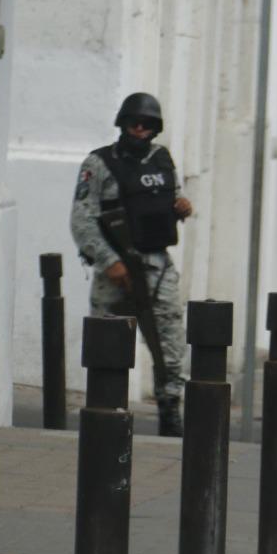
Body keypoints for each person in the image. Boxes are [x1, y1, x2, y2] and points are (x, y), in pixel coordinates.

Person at [69, 93, 194, 436]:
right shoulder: (98, 164)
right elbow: (82, 220)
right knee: (106, 342)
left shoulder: (162, 160)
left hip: (157, 266)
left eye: (147, 124)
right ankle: (104, 411)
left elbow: (171, 198)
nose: (139, 129)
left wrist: (181, 207)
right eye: (134, 123)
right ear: (122, 124)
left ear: (155, 128)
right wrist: (110, 262)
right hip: (116, 269)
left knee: (169, 339)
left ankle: (170, 410)